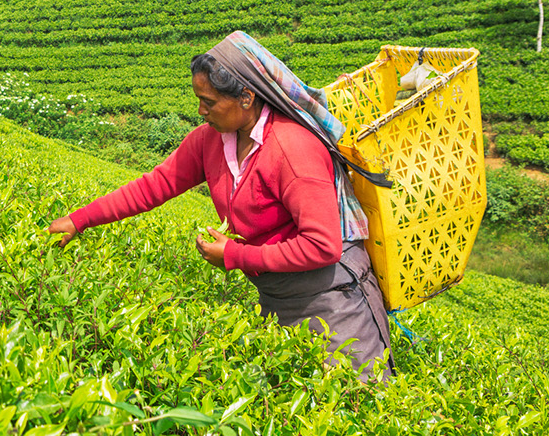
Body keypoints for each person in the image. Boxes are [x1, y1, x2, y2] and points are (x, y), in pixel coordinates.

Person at [47, 31, 394, 381]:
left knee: (352, 397)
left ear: (246, 97)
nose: (201, 111)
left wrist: (234, 256)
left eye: (209, 101)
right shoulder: (211, 141)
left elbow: (323, 246)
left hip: (333, 300)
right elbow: (154, 186)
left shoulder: (292, 150)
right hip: (276, 293)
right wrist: (79, 220)